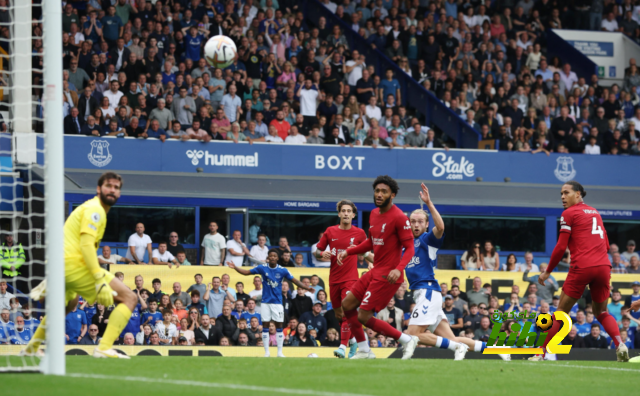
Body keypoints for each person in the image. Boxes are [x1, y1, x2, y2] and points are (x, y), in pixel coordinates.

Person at [21, 172, 137, 359]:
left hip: (61, 267)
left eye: (116, 187)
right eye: (109, 186)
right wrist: (99, 279)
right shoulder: (95, 210)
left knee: (67, 305)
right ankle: (104, 347)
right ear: (99, 189)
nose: (112, 190)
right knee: (130, 298)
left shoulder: (91, 208)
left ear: (120, 193)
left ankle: (31, 348)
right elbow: (85, 246)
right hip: (74, 266)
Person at [531, 181, 628, 362]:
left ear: (578, 194)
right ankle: (619, 344)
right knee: (602, 312)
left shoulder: (569, 213)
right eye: (561, 193)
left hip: (582, 266)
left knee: (560, 312)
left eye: (566, 193)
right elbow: (606, 244)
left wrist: (547, 272)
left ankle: (539, 353)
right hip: (603, 267)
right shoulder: (596, 213)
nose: (562, 197)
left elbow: (561, 247)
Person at [338, 175, 418, 359]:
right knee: (347, 305)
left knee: (363, 317)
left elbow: (410, 248)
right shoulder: (374, 214)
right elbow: (371, 242)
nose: (379, 194)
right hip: (375, 271)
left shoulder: (399, 217)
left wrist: (398, 268)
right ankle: (365, 351)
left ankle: (406, 340)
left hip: (388, 276)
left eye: (384, 191)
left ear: (393, 195)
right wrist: (349, 251)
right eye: (377, 191)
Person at [227, 249, 315, 357]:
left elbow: (295, 281)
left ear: (277, 258)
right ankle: (267, 352)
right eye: (271, 256)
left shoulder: (283, 270)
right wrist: (235, 267)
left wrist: (307, 288)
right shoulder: (262, 268)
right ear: (268, 257)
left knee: (279, 327)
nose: (273, 257)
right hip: (265, 302)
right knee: (265, 327)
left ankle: (279, 352)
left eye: (274, 256)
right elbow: (246, 272)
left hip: (277, 303)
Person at [314, 199, 367, 358]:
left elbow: (367, 252)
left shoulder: (359, 233)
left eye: (348, 211)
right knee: (339, 316)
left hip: (351, 279)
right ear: (339, 214)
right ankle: (353, 342)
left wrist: (376, 264)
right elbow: (317, 252)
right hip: (334, 279)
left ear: (353, 215)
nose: (345, 213)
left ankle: (342, 347)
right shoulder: (330, 231)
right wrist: (322, 254)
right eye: (343, 211)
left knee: (347, 312)